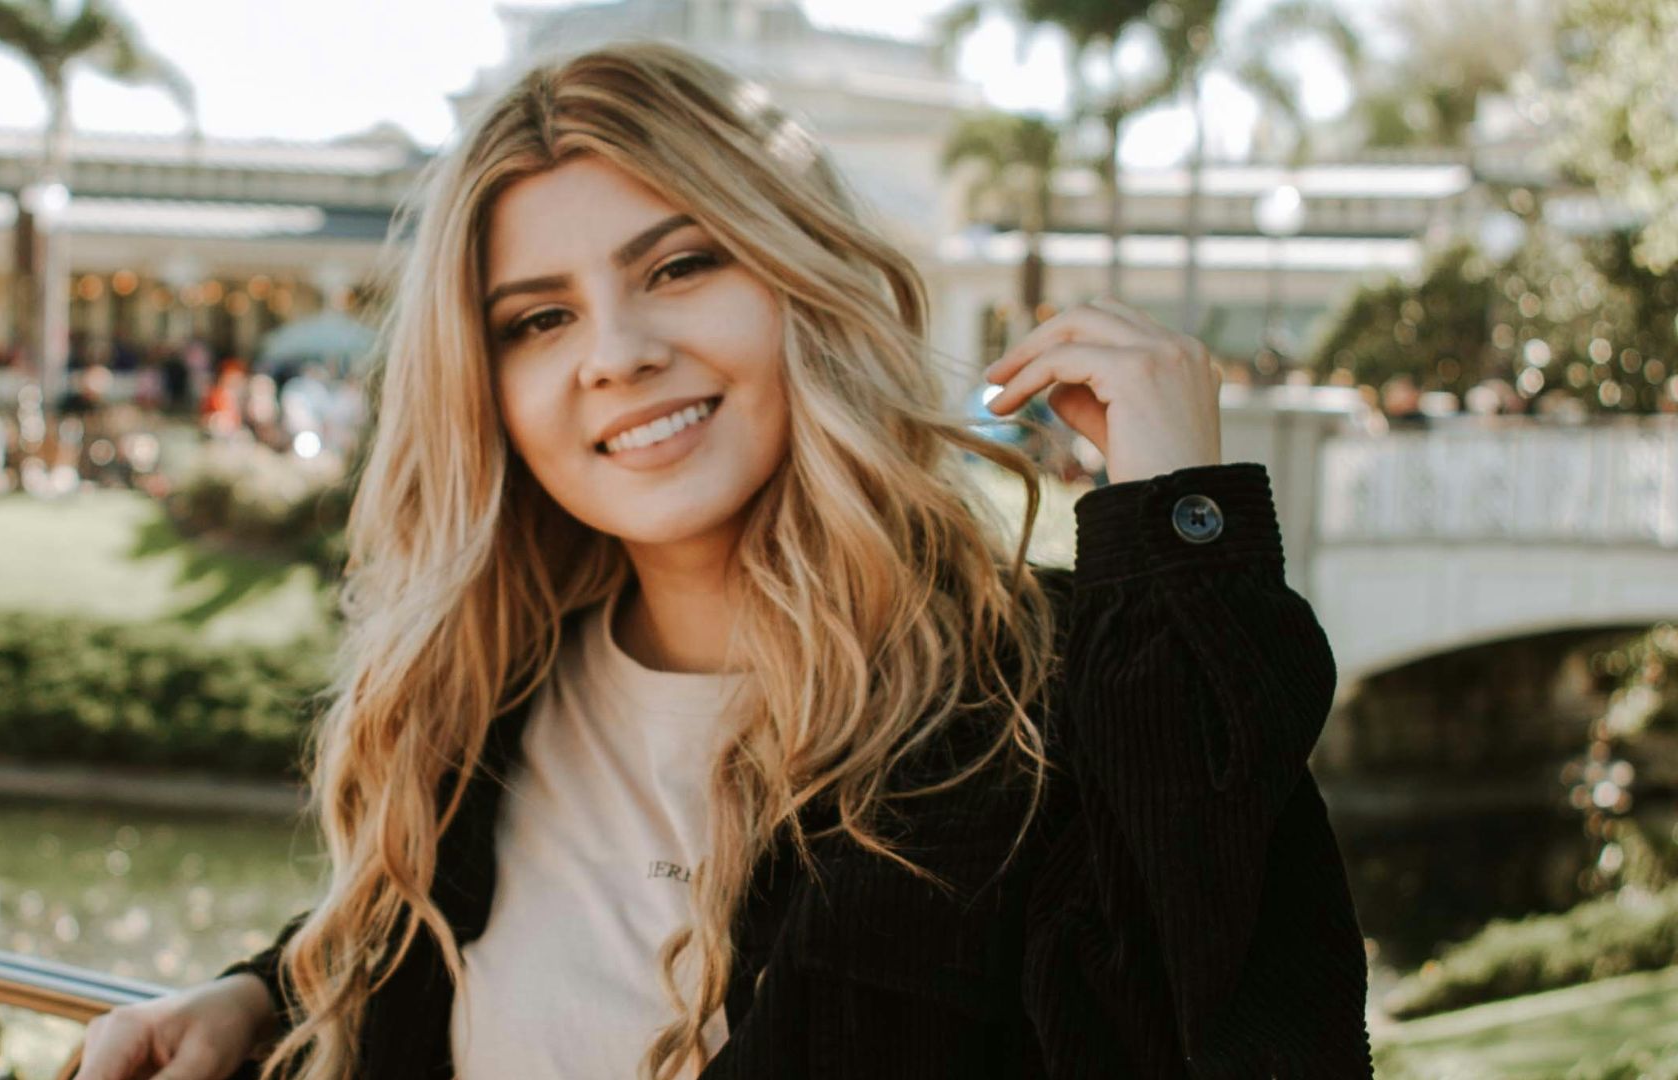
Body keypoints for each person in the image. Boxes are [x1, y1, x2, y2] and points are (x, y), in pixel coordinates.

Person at [73, 42, 1370, 1080]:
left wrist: (1181, 526)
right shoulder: (488, 701)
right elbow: (413, 945)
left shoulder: (1046, 702)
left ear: (800, 281)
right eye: (538, 319)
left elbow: (1236, 1017)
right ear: (490, 393)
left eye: (682, 264)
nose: (617, 351)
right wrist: (262, 996)